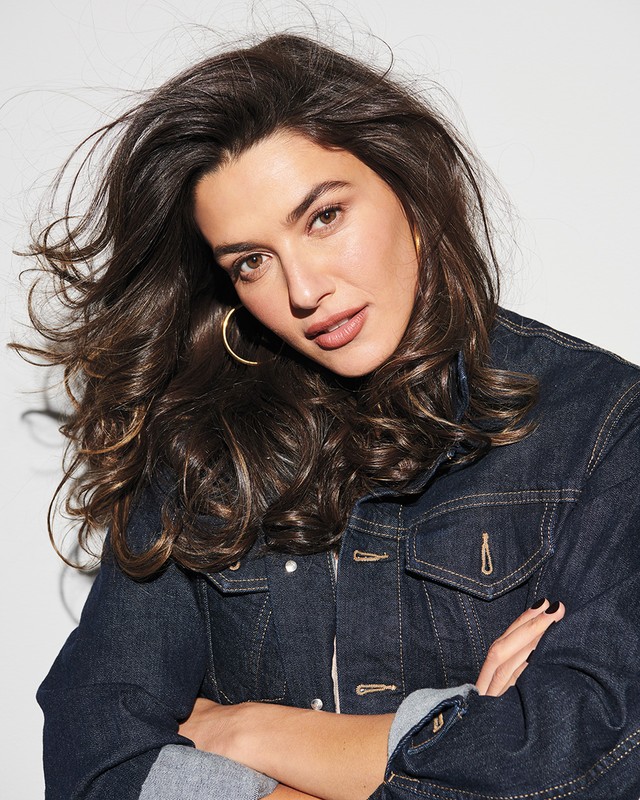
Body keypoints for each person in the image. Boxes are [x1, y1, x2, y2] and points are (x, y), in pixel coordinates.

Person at [22, 33, 640, 800]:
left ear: (410, 187)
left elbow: (596, 762)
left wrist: (245, 730)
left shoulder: (600, 428)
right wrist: (464, 730)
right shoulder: (198, 452)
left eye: (323, 217)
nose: (305, 289)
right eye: (251, 261)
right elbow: (96, 763)